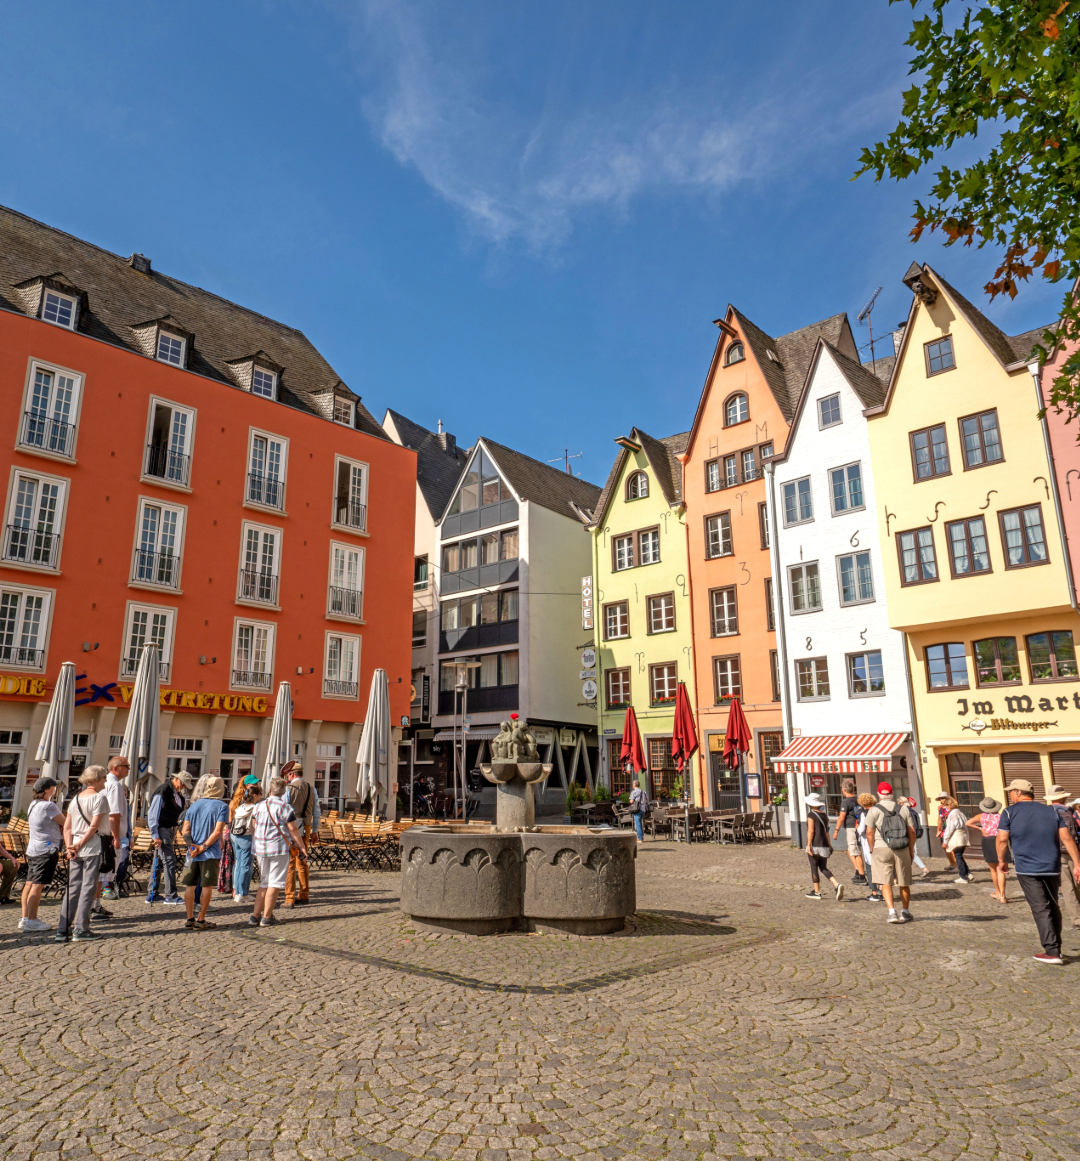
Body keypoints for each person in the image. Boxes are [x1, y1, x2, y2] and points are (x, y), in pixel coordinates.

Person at [997, 777, 1080, 964]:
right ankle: (1055, 947)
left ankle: (1051, 951)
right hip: (1052, 865)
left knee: (1040, 906)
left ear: (1018, 793)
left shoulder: (1009, 812)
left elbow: (1002, 839)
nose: (1010, 794)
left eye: (1011, 791)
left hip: (1027, 867)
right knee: (1052, 904)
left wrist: (1002, 860)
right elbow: (1067, 839)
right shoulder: (1051, 811)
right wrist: (1077, 864)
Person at [57, 766, 110, 942]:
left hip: (75, 847)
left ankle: (62, 929)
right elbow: (94, 826)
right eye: (103, 778)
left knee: (73, 888)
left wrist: (69, 846)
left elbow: (67, 827)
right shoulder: (99, 798)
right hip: (91, 846)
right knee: (88, 888)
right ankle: (81, 929)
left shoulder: (76, 799)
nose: (105, 781)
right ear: (96, 779)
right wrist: (78, 844)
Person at [250, 774, 308, 927]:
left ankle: (255, 916)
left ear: (270, 790)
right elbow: (293, 829)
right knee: (274, 883)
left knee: (264, 882)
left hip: (261, 848)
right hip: (278, 848)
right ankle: (267, 917)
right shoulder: (285, 807)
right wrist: (302, 847)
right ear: (283, 792)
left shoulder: (259, 806)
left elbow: (253, 826)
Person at [179, 774, 228, 930]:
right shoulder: (222, 806)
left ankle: (189, 919)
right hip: (210, 853)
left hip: (191, 853)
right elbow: (217, 831)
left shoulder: (194, 805)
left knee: (189, 886)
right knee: (206, 887)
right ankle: (200, 920)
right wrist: (203, 847)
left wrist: (192, 846)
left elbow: (185, 830)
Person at [864, 781, 916, 924]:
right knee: (904, 882)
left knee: (885, 882)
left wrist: (871, 847)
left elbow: (869, 832)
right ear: (892, 793)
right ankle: (905, 912)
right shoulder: (903, 809)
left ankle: (892, 912)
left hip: (881, 848)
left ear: (879, 794)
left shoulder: (874, 810)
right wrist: (911, 849)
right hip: (901, 848)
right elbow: (912, 832)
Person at [19, 776, 66, 932]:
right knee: (37, 886)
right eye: (54, 787)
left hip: (33, 848)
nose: (56, 789)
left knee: (29, 884)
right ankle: (32, 921)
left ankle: (25, 918)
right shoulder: (49, 806)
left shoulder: (34, 804)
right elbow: (65, 822)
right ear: (47, 790)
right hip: (46, 849)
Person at [146, 770, 192, 904]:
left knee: (159, 862)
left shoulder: (177, 795)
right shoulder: (163, 791)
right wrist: (155, 835)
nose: (183, 787)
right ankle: (171, 895)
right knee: (169, 862)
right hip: (162, 829)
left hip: (169, 830)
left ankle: (152, 894)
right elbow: (153, 814)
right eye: (183, 784)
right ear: (176, 780)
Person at [1046, 785, 1080, 929]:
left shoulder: (1046, 813)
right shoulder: (1072, 812)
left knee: (1067, 888)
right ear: (1064, 797)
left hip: (1056, 853)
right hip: (1074, 851)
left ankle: (1077, 920)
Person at [98, 755, 130, 902]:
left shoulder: (109, 783)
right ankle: (98, 901)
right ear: (116, 768)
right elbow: (114, 814)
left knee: (105, 870)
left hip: (110, 833)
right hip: (111, 835)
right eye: (126, 766)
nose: (129, 769)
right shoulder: (114, 785)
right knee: (107, 870)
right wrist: (115, 837)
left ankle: (96, 904)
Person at [283, 762, 315, 907]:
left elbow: (283, 810)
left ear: (292, 774)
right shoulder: (311, 788)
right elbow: (317, 811)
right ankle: (304, 894)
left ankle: (289, 897)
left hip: (292, 826)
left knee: (290, 862)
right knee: (302, 860)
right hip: (306, 825)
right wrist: (315, 829)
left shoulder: (288, 789)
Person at [967, 796, 1009, 903]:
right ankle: (1003, 896)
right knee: (1001, 869)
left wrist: (980, 828)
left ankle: (997, 892)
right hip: (999, 840)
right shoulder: (1001, 817)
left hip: (987, 841)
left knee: (993, 869)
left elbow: (968, 823)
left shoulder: (981, 816)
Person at [804, 792, 844, 901]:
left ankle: (817, 892)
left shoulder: (811, 815)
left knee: (814, 867)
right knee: (823, 867)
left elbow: (811, 831)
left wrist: (808, 845)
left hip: (815, 845)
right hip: (824, 845)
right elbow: (827, 832)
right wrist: (830, 845)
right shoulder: (824, 815)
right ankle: (836, 884)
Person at [229, 776, 262, 902]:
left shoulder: (239, 807)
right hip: (246, 836)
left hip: (235, 836)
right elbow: (254, 826)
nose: (260, 796)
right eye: (260, 794)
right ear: (255, 796)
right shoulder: (255, 808)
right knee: (245, 866)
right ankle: (242, 894)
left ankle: (238, 891)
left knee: (238, 864)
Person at [832, 779, 866, 885]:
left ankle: (862, 877)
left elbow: (841, 817)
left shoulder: (846, 801)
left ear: (844, 789)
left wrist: (836, 830)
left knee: (856, 852)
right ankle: (857, 871)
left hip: (851, 827)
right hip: (858, 826)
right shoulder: (858, 799)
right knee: (850, 850)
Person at [856, 793, 883, 901]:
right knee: (880, 866)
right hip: (879, 840)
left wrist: (857, 828)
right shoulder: (878, 810)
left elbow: (862, 829)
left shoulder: (864, 813)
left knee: (870, 866)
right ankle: (883, 889)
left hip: (868, 841)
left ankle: (874, 893)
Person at [941, 796, 972, 884]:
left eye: (946, 806)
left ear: (950, 805)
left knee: (958, 857)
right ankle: (968, 873)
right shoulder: (961, 813)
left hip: (957, 836)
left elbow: (950, 829)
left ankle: (963, 877)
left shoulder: (952, 814)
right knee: (960, 856)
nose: (946, 808)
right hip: (963, 835)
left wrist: (945, 841)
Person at [934, 789, 957, 870]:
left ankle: (957, 865)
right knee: (945, 847)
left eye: (943, 798)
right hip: (943, 828)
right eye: (941, 798)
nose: (942, 800)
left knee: (952, 847)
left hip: (950, 828)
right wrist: (938, 830)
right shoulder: (940, 808)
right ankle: (951, 864)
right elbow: (939, 819)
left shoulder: (951, 807)